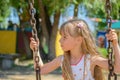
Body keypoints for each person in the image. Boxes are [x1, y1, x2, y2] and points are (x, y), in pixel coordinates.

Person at [30, 19, 120, 80]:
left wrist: (115, 44)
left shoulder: (91, 59)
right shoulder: (63, 60)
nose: (60, 40)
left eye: (65, 37)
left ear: (79, 40)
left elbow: (117, 68)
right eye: (61, 36)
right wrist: (35, 50)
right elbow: (40, 70)